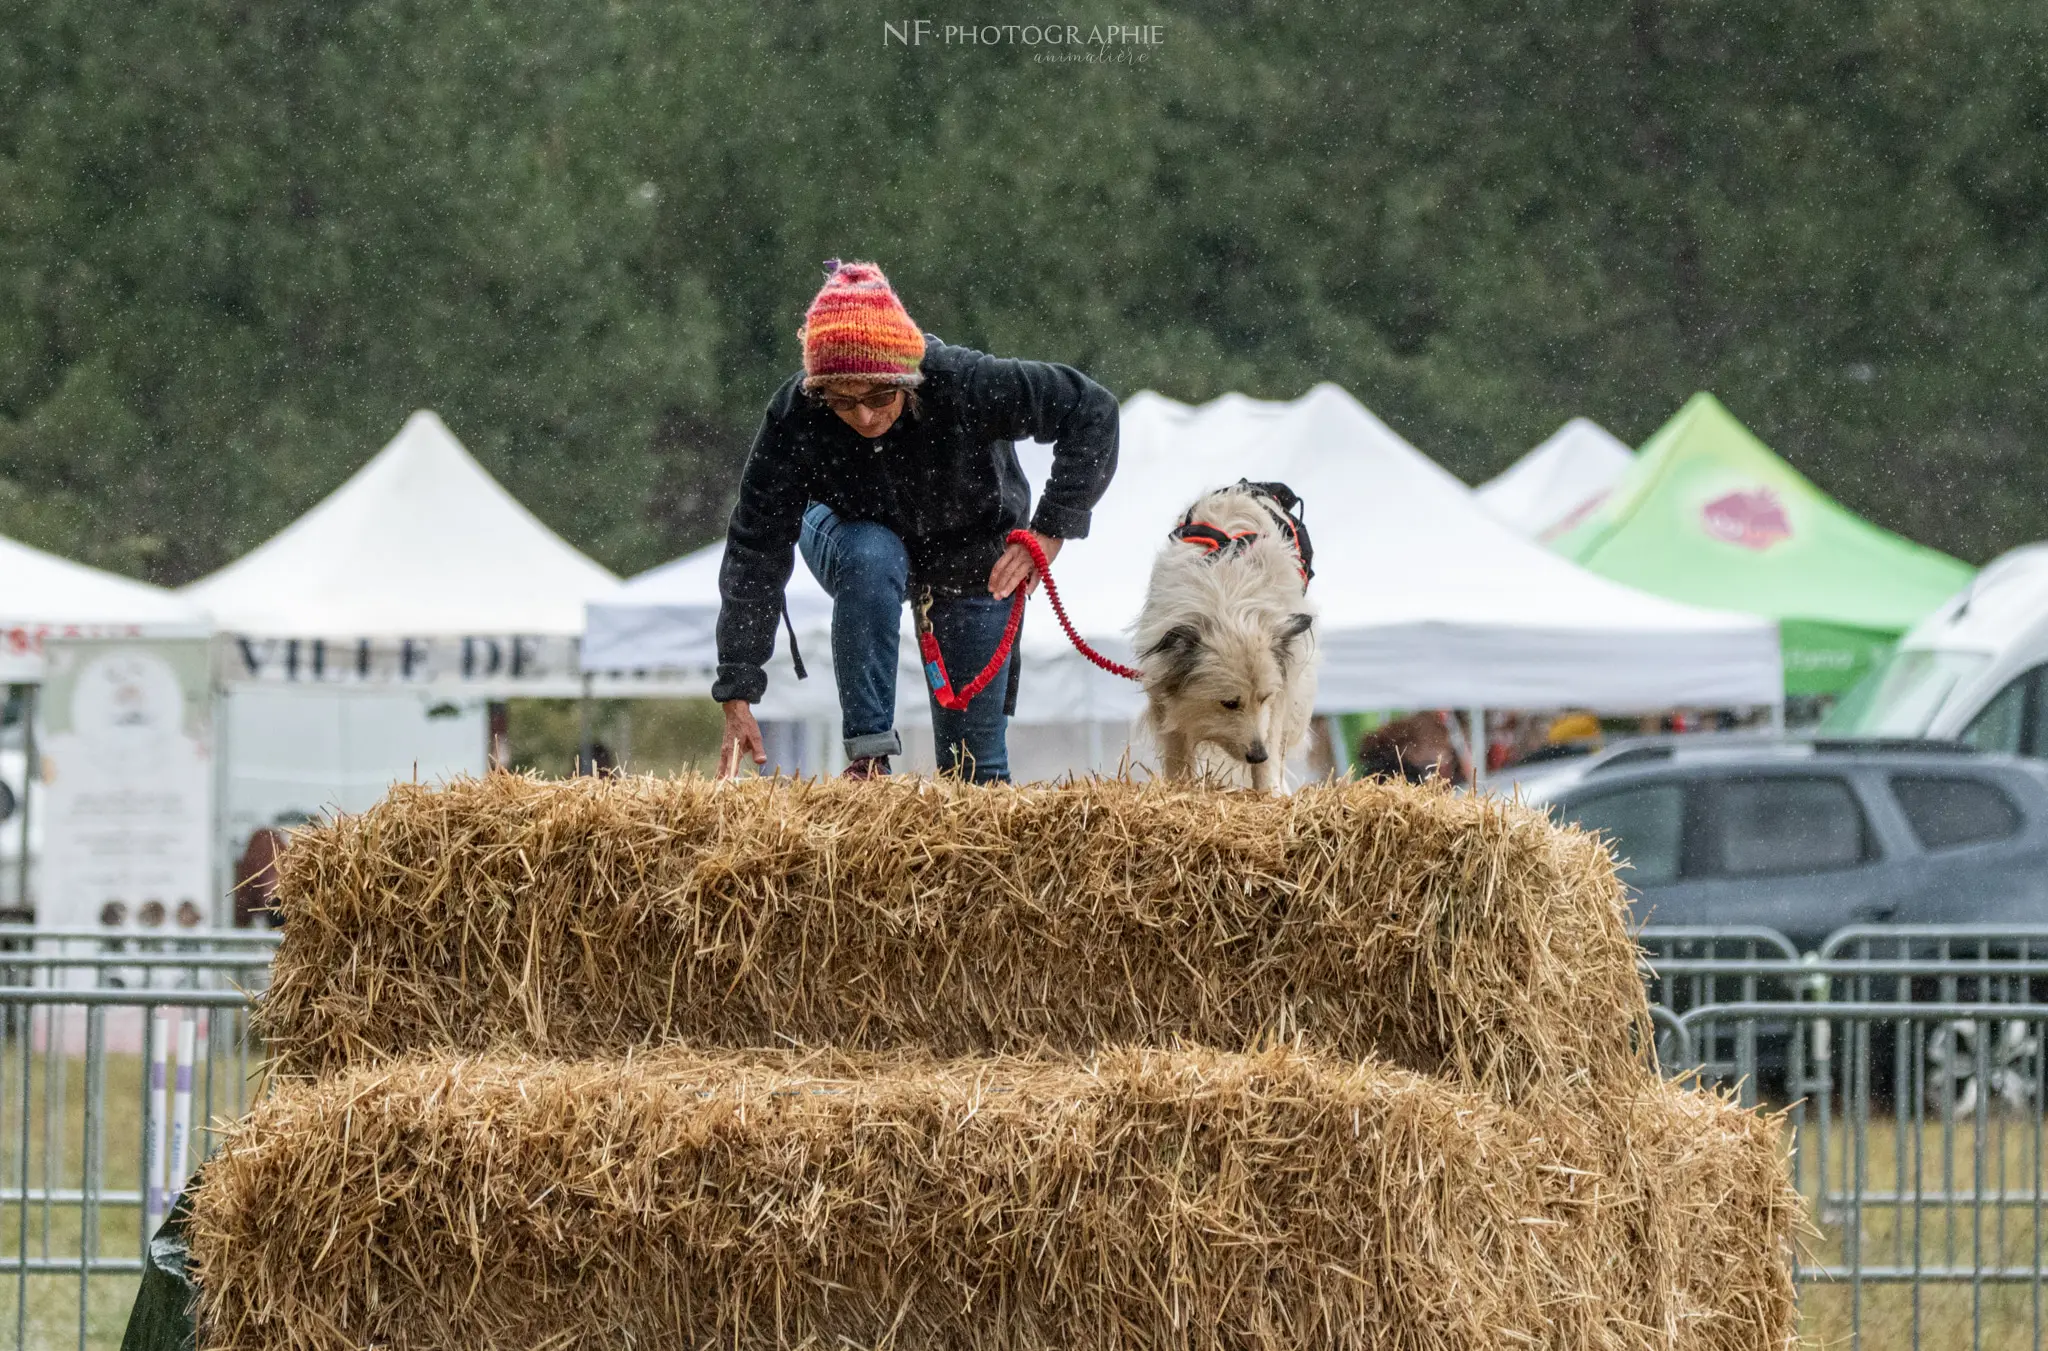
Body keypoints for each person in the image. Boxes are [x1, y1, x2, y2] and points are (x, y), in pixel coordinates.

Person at [713, 260, 1120, 782]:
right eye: (843, 401)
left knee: (975, 773)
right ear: (820, 392)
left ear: (910, 377)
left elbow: (1092, 411)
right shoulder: (796, 412)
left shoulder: (962, 381)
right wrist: (738, 683)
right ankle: (868, 758)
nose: (864, 417)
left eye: (881, 395)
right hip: (847, 531)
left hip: (969, 550)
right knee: (872, 554)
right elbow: (756, 543)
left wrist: (1050, 530)